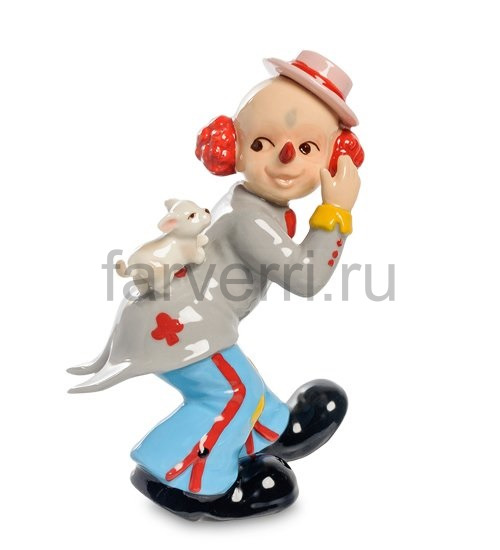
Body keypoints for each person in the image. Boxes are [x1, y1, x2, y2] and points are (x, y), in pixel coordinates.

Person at [68, 50, 364, 520]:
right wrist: (337, 211)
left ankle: (267, 433)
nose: (286, 157)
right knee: (232, 392)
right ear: (235, 147)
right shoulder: (249, 219)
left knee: (238, 382)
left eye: (307, 148)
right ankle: (185, 480)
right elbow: (307, 277)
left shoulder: (252, 204)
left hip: (186, 317)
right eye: (264, 143)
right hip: (181, 323)